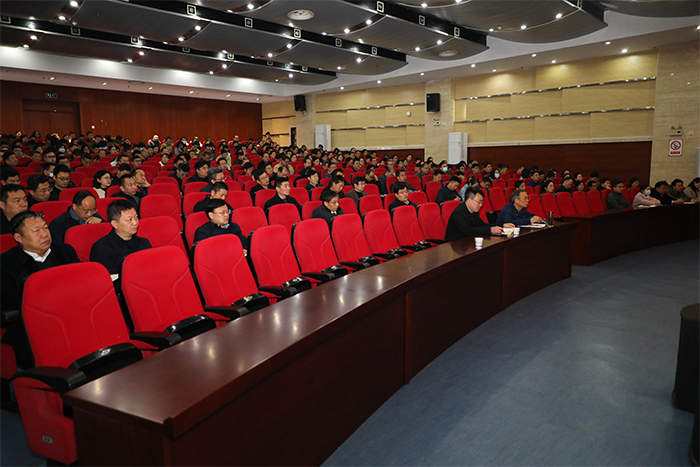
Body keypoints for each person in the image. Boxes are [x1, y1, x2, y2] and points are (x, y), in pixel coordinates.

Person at [0, 211, 81, 366]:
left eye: (45, 228)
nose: (44, 234)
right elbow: (6, 298)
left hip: (73, 318)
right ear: (19, 238)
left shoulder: (65, 251)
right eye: (36, 231)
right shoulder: (5, 264)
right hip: (32, 328)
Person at [89, 199, 152, 275]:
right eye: (129, 219)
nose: (135, 222)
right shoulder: (101, 248)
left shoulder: (144, 243)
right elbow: (107, 278)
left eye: (136, 217)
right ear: (115, 224)